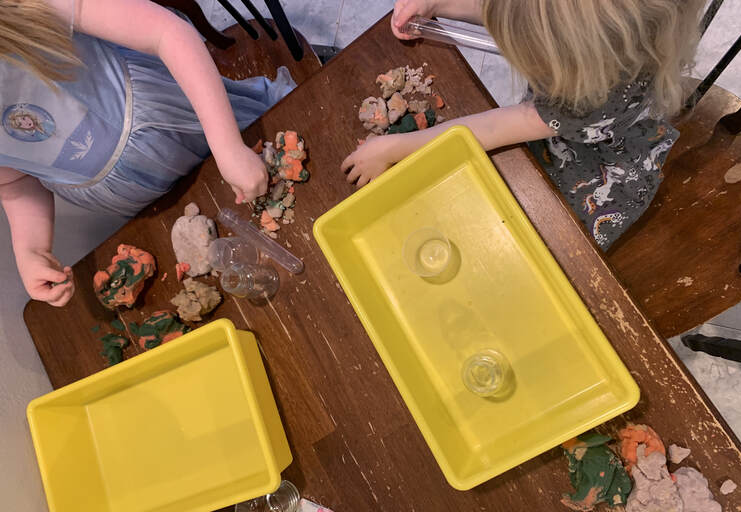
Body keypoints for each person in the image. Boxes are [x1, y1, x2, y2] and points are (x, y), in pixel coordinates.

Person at [342, 0, 703, 250]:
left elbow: (492, 129)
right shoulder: (616, 32)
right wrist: (439, 5)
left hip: (601, 167)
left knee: (543, 236)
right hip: (573, 113)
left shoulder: (583, 100)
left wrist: (392, 148)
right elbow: (518, 12)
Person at [0, 0, 295, 307]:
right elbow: (14, 182)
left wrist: (228, 146)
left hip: (181, 120)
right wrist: (31, 250)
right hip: (135, 191)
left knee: (277, 157)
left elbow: (165, 33)